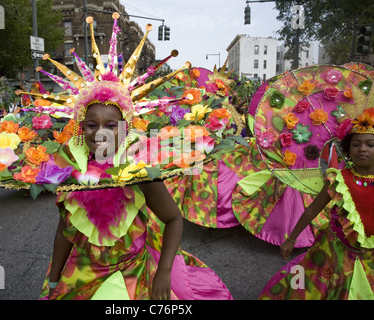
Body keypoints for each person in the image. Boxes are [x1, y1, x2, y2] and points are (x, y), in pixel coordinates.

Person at [39, 80, 232, 300]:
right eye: (92, 125)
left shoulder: (138, 169)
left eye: (110, 126)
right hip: (80, 272)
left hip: (132, 273)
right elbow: (63, 230)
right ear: (81, 128)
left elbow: (173, 219)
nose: (100, 134)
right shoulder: (71, 167)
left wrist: (164, 272)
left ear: (124, 128)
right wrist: (54, 280)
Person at [259, 107, 374, 300]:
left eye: (370, 144)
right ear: (347, 149)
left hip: (370, 254)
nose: (362, 149)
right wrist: (291, 238)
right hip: (335, 250)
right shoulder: (337, 179)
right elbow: (313, 209)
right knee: (323, 288)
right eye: (356, 144)